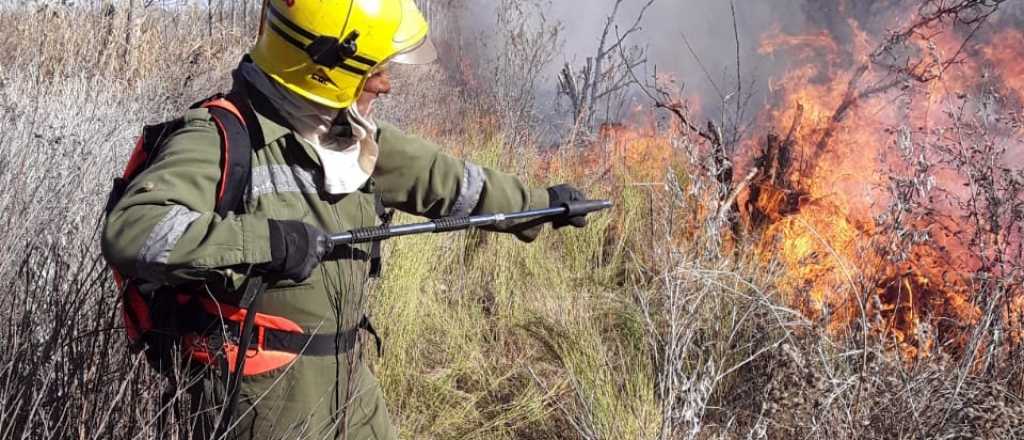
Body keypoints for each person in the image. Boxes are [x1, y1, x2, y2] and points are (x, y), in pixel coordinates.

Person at [101, 0, 591, 438]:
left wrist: (540, 204)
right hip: (259, 403)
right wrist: (265, 241)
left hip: (351, 387)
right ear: (326, 69)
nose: (385, 83)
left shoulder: (354, 140)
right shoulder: (219, 137)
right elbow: (133, 230)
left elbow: (448, 182)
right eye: (373, 68)